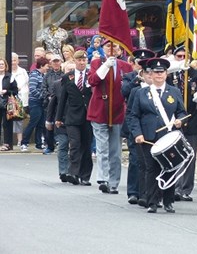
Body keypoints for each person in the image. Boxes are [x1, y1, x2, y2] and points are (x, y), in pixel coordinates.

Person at [129, 58, 187, 213]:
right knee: (151, 169)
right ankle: (152, 202)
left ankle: (168, 201)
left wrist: (180, 121)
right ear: (151, 74)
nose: (159, 75)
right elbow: (133, 115)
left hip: (169, 137)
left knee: (170, 168)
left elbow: (181, 112)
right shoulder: (142, 93)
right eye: (156, 72)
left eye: (162, 72)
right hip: (149, 137)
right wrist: (138, 134)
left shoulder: (174, 91)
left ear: (166, 74)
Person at [87, 39, 133, 194]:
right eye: (108, 46)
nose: (111, 49)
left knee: (115, 150)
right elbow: (93, 80)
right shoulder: (96, 63)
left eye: (115, 47)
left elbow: (129, 88)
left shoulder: (125, 66)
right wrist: (105, 67)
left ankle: (113, 182)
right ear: (103, 49)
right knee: (102, 148)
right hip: (100, 110)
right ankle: (103, 178)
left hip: (118, 111)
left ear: (120, 50)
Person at [167, 46, 197, 202]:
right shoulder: (169, 74)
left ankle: (185, 189)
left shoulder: (195, 74)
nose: (182, 58)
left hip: (191, 119)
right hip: (173, 120)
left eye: (185, 56)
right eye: (179, 56)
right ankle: (173, 186)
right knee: (174, 155)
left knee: (190, 155)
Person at [121, 48, 157, 205]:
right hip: (135, 128)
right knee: (135, 160)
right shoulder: (132, 79)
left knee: (151, 162)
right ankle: (134, 191)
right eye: (146, 72)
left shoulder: (159, 84)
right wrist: (137, 80)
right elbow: (124, 93)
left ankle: (149, 192)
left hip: (152, 129)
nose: (149, 75)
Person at [55, 50, 94, 186]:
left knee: (86, 145)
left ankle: (85, 176)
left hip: (88, 116)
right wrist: (58, 118)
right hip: (72, 116)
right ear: (75, 61)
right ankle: (74, 173)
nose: (82, 63)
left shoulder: (91, 76)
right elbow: (62, 99)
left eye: (84, 60)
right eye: (79, 60)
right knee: (75, 144)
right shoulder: (68, 77)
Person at [46, 61, 75, 183]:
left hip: (75, 121)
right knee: (63, 145)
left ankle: (72, 171)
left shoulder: (80, 84)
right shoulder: (57, 84)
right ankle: (63, 171)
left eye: (72, 70)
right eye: (68, 70)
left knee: (74, 147)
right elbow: (53, 103)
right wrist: (49, 120)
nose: (70, 72)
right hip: (61, 121)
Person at [21, 57, 50, 152]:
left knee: (41, 123)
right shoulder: (34, 74)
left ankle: (38, 144)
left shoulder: (42, 75)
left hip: (41, 102)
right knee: (33, 122)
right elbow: (33, 89)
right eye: (46, 66)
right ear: (41, 66)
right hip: (35, 102)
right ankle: (24, 143)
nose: (47, 68)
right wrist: (42, 96)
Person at [42, 54, 64, 154]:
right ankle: (50, 146)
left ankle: (60, 143)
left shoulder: (64, 75)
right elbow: (43, 88)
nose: (56, 63)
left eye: (57, 61)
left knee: (60, 124)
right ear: (51, 63)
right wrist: (48, 96)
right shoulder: (47, 75)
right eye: (54, 61)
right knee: (49, 125)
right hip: (49, 103)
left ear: (60, 62)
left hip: (61, 103)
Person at [10, 53, 29, 148]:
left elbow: (26, 83)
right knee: (8, 120)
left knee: (19, 120)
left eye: (14, 60)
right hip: (9, 99)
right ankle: (8, 141)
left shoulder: (23, 71)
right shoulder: (7, 72)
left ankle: (20, 141)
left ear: (18, 61)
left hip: (21, 100)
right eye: (11, 60)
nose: (13, 62)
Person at [0, 58, 18, 151]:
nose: (1, 66)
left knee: (7, 125)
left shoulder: (10, 77)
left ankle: (6, 144)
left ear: (5, 66)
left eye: (2, 64)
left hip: (6, 103)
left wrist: (6, 91)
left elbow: (15, 91)